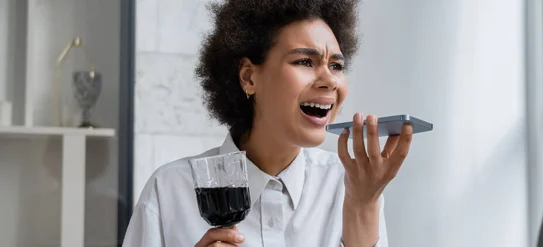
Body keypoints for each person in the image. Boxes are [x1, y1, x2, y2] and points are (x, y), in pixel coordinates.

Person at [123, 0, 413, 246]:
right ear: (249, 77)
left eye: (336, 66)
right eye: (304, 61)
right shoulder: (169, 191)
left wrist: (363, 206)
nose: (329, 81)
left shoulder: (351, 184)